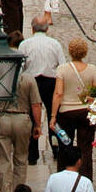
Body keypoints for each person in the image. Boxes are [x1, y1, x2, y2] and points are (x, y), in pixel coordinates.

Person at [0, 59, 41, 192]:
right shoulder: (28, 79)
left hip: (1, 118)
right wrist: (37, 125)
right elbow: (36, 105)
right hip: (22, 119)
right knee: (21, 159)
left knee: (3, 161)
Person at [51, 35, 96, 179]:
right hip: (86, 113)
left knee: (64, 145)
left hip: (66, 113)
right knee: (86, 148)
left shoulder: (62, 69)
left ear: (70, 51)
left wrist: (53, 116)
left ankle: (62, 176)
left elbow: (58, 93)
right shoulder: (92, 69)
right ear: (85, 52)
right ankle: (85, 179)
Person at [19, 15, 65, 163]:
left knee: (31, 117)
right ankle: (57, 148)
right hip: (51, 82)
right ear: (47, 29)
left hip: (31, 81)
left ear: (32, 28)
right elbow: (62, 66)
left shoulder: (25, 44)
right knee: (54, 115)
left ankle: (32, 155)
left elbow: (20, 68)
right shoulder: (55, 44)